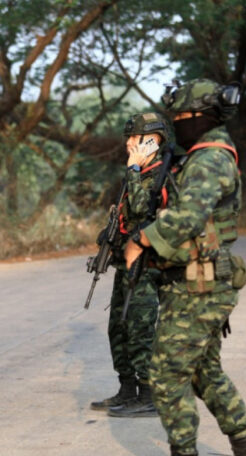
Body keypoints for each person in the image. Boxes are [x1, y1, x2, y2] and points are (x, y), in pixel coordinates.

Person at [124, 79, 246, 456]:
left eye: (180, 119)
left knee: (167, 373)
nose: (176, 126)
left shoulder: (209, 160)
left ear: (199, 118)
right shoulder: (200, 157)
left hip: (200, 285)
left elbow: (187, 218)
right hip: (199, 280)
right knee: (204, 371)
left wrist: (142, 241)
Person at [90, 113, 169, 418]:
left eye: (133, 138)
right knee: (118, 327)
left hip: (146, 265)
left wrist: (134, 170)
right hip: (126, 262)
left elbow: (141, 208)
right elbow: (126, 215)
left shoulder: (159, 173)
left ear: (152, 140)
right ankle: (126, 389)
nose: (127, 143)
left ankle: (148, 394)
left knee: (139, 328)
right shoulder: (137, 172)